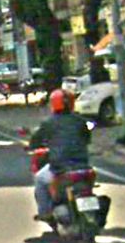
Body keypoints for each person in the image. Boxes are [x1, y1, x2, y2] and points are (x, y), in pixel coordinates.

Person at [29, 88, 92, 221]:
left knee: (40, 179)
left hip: (60, 168)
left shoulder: (48, 123)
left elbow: (35, 141)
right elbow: (87, 139)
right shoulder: (80, 121)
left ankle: (45, 213)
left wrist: (33, 146)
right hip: (83, 166)